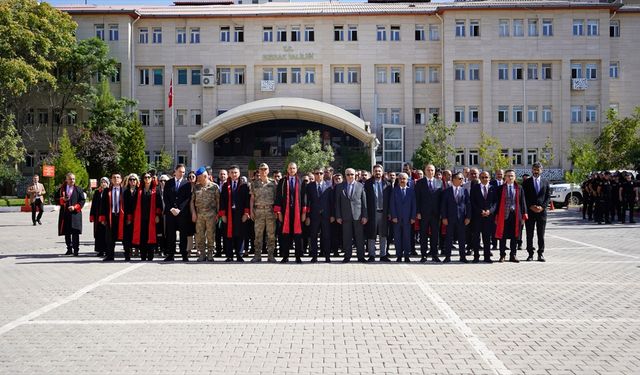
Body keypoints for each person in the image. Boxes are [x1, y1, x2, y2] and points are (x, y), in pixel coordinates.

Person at [274, 162, 307, 263]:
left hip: (297, 212)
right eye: (290, 168)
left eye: (293, 168)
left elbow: (304, 198)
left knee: (298, 235)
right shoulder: (283, 181)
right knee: (285, 235)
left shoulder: (301, 181)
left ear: (296, 169)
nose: (292, 170)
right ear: (287, 169)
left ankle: (298, 256)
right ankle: (285, 256)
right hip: (286, 212)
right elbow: (278, 197)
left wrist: (304, 213)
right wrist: (279, 212)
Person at [335, 168, 367, 263]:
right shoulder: (340, 187)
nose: (350, 176)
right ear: (345, 175)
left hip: (358, 216)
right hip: (345, 216)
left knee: (359, 238)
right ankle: (347, 256)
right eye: (348, 174)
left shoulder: (360, 186)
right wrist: (338, 216)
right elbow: (337, 203)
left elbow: (364, 203)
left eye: (352, 174)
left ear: (355, 175)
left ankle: (361, 256)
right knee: (347, 237)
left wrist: (365, 216)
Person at [494, 170, 527, 263]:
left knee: (515, 236)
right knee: (502, 237)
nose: (510, 177)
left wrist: (524, 216)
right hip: (503, 216)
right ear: (505, 177)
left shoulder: (519, 188)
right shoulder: (500, 188)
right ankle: (502, 255)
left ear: (515, 177)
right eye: (508, 176)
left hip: (516, 216)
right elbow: (497, 203)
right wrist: (496, 216)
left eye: (512, 176)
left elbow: (522, 202)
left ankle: (513, 255)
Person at [219, 165, 250, 262]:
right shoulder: (225, 186)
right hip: (228, 214)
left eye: (235, 172)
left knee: (240, 234)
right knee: (228, 235)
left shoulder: (244, 186)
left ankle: (239, 255)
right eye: (232, 172)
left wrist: (246, 213)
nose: (234, 174)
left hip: (240, 214)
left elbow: (247, 201)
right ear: (229, 174)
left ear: (239, 173)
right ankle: (229, 256)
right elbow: (222, 201)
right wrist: (223, 214)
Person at [163, 164, 193, 262]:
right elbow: (165, 198)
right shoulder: (168, 183)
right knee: (170, 235)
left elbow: (187, 199)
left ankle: (184, 255)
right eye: (180, 171)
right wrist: (171, 208)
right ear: (175, 171)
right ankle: (170, 254)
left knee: (183, 235)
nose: (181, 174)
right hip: (170, 213)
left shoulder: (187, 184)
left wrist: (179, 209)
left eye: (183, 172)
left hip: (182, 214)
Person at [522, 162, 550, 262]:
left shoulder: (545, 182)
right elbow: (524, 197)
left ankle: (540, 254)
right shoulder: (526, 182)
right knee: (529, 234)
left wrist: (542, 207)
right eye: (534, 169)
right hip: (530, 212)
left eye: (538, 169)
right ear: (532, 170)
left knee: (540, 234)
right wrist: (530, 206)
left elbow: (547, 197)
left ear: (541, 170)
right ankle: (530, 254)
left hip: (541, 213)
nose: (536, 171)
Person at [440, 172, 471, 263]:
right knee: (449, 238)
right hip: (449, 219)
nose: (462, 180)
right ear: (454, 179)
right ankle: (447, 257)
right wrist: (444, 217)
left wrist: (468, 217)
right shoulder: (446, 191)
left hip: (461, 219)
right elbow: (443, 206)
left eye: (462, 179)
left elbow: (468, 204)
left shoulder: (464, 190)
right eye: (460, 179)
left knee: (462, 238)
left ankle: (462, 257)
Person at [415, 164, 444, 263]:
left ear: (434, 171)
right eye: (428, 170)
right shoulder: (419, 183)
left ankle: (434, 254)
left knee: (435, 235)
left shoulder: (439, 182)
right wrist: (418, 212)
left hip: (436, 214)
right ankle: (424, 255)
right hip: (423, 213)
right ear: (425, 171)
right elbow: (417, 198)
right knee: (423, 235)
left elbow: (441, 200)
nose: (430, 172)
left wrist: (441, 213)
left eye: (432, 170)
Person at [249, 163, 277, 263]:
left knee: (271, 235)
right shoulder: (254, 183)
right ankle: (257, 256)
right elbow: (252, 198)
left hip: (270, 211)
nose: (263, 171)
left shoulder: (273, 183)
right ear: (259, 171)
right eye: (261, 169)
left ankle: (271, 255)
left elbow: (276, 199)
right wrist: (251, 211)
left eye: (265, 169)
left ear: (268, 171)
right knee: (258, 235)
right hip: (258, 211)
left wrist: (277, 212)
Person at [191, 167, 220, 262]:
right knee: (199, 236)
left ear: (205, 176)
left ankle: (210, 254)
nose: (197, 179)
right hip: (199, 215)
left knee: (211, 235)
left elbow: (218, 202)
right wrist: (193, 213)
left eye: (199, 177)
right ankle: (202, 254)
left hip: (211, 215)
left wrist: (217, 214)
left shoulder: (214, 187)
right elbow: (192, 202)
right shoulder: (196, 187)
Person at [305, 167, 333, 263]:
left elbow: (331, 202)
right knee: (313, 236)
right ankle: (314, 256)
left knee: (326, 236)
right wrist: (307, 216)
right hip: (314, 215)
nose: (319, 175)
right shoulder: (309, 186)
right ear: (314, 174)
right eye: (317, 173)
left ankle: (327, 256)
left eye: (321, 173)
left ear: (324, 174)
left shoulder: (329, 186)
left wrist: (332, 215)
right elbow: (307, 202)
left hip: (326, 215)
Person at [132, 173, 162, 261]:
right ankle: (143, 255)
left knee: (151, 236)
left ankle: (150, 255)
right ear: (143, 179)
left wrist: (157, 215)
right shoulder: (139, 191)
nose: (147, 179)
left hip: (152, 218)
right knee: (143, 237)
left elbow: (159, 205)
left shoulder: (156, 190)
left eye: (149, 177)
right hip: (141, 218)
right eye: (145, 177)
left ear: (151, 179)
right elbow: (134, 204)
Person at [364, 164, 391, 262]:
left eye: (379, 171)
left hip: (384, 213)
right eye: (376, 171)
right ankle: (371, 255)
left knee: (383, 234)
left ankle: (383, 255)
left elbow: (390, 200)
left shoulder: (387, 184)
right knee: (372, 234)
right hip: (372, 212)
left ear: (382, 172)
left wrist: (389, 213)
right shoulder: (367, 184)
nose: (377, 173)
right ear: (373, 172)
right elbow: (365, 200)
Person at [54, 173, 85, 256]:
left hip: (75, 214)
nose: (72, 181)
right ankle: (69, 248)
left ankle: (76, 250)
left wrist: (75, 207)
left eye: (73, 179)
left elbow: (82, 201)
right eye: (70, 179)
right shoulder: (62, 189)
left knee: (75, 232)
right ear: (66, 180)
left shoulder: (78, 189)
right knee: (67, 232)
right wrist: (62, 199)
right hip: (65, 213)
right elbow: (55, 199)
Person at [389, 172, 416, 263]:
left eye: (404, 178)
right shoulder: (394, 190)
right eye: (400, 179)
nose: (402, 180)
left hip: (408, 219)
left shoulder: (411, 191)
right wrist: (394, 216)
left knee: (407, 237)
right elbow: (392, 204)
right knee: (397, 238)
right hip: (397, 218)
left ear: (407, 180)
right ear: (398, 180)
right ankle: (399, 255)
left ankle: (407, 255)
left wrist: (413, 217)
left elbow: (414, 205)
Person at [470, 171, 496, 263]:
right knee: (476, 238)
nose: (484, 179)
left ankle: (487, 257)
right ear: (479, 178)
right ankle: (476, 256)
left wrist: (490, 211)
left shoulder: (493, 188)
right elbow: (472, 202)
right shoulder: (475, 188)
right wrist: (480, 211)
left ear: (489, 178)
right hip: (477, 216)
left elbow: (495, 203)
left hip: (489, 217)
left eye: (486, 177)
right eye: (482, 177)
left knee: (487, 238)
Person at [102, 173, 125, 262]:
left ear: (121, 179)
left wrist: (129, 218)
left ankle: (127, 255)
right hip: (110, 217)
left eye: (118, 177)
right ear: (111, 180)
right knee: (110, 238)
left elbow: (129, 206)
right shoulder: (107, 191)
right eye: (114, 177)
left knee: (124, 237)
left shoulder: (125, 190)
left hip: (122, 217)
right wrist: (103, 218)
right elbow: (103, 206)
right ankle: (110, 256)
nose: (116, 179)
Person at [90, 177, 109, 257]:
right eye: (102, 182)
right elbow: (93, 204)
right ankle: (100, 250)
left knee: (106, 234)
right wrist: (92, 215)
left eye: (105, 182)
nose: (103, 184)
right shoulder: (97, 192)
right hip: (98, 215)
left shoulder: (109, 191)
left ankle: (107, 250)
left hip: (107, 216)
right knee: (98, 233)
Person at [123, 174, 139, 261]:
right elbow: (126, 206)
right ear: (128, 181)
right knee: (128, 236)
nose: (132, 181)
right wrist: (129, 217)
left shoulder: (139, 191)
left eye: (134, 180)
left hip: (138, 217)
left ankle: (137, 250)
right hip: (128, 217)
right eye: (131, 180)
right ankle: (128, 253)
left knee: (137, 234)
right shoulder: (125, 192)